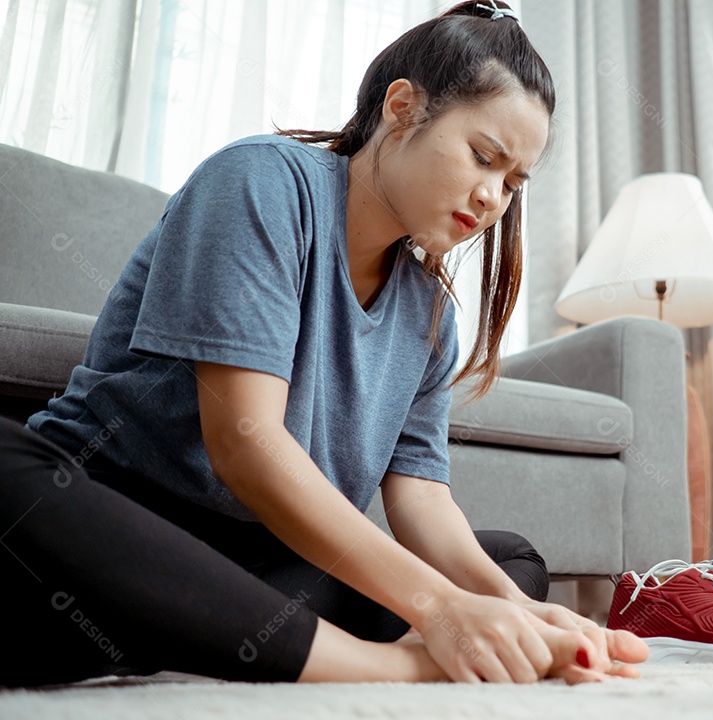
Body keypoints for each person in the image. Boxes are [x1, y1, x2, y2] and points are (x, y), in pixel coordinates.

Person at [0, 0, 648, 688]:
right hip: (106, 525)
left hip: (253, 569)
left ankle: (211, 633)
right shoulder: (260, 182)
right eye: (483, 157)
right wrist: (439, 609)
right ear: (402, 107)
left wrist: (516, 612)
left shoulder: (430, 311)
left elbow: (421, 501)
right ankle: (383, 666)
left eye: (512, 183)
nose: (493, 199)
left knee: (511, 561)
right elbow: (245, 444)